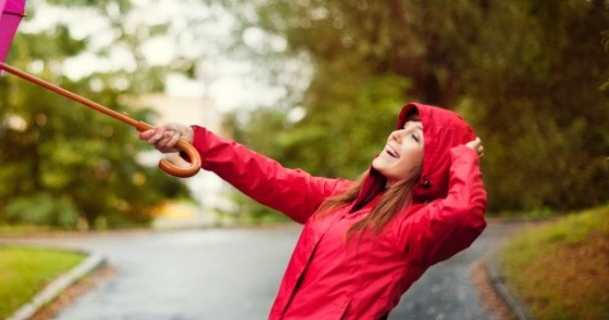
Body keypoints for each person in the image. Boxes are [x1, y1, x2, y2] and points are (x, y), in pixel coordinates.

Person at [139, 103, 487, 320]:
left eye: (415, 137)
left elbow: (464, 214)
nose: (396, 136)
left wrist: (463, 158)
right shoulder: (342, 197)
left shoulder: (416, 227)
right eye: (401, 129)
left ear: (435, 165)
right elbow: (269, 177)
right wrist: (196, 140)